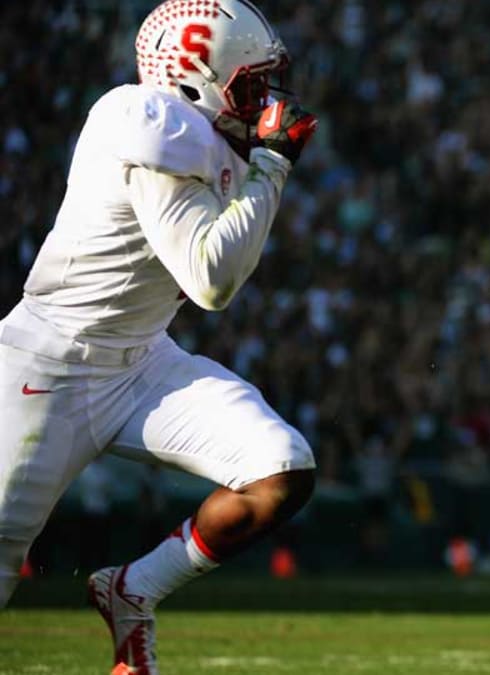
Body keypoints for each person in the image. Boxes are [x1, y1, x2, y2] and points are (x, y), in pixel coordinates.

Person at [0, 1, 318, 673]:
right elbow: (211, 280)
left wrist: (264, 166)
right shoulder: (150, 122)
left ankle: (132, 588)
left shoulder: (206, 135)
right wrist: (273, 168)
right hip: (48, 365)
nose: (266, 99)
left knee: (281, 468)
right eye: (250, 85)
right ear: (194, 80)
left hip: (141, 361)